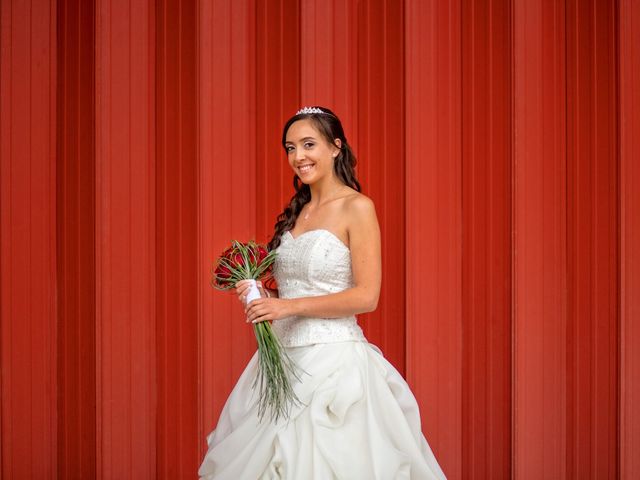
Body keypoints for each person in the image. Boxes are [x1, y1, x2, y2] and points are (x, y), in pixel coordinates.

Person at [198, 106, 447, 479]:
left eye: (308, 144)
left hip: (334, 366)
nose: (298, 157)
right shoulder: (299, 213)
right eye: (290, 148)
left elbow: (367, 296)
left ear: (336, 147)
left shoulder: (358, 208)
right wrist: (255, 291)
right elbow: (294, 286)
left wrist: (286, 306)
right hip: (281, 364)